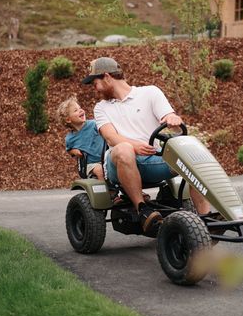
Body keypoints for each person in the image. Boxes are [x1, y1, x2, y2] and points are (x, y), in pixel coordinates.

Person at [82, 57, 211, 233]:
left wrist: (172, 119)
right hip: (118, 166)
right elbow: (111, 137)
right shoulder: (101, 108)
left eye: (94, 82)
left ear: (106, 77)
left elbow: (167, 117)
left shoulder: (150, 93)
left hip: (153, 161)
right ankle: (142, 209)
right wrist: (134, 145)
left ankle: (207, 220)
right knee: (124, 148)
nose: (94, 89)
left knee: (190, 152)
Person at [57, 96, 104, 180]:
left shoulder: (94, 124)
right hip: (90, 164)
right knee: (100, 170)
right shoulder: (70, 138)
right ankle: (107, 191)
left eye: (80, 108)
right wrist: (74, 151)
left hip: (105, 158)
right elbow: (69, 149)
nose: (81, 110)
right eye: (76, 110)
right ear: (68, 120)